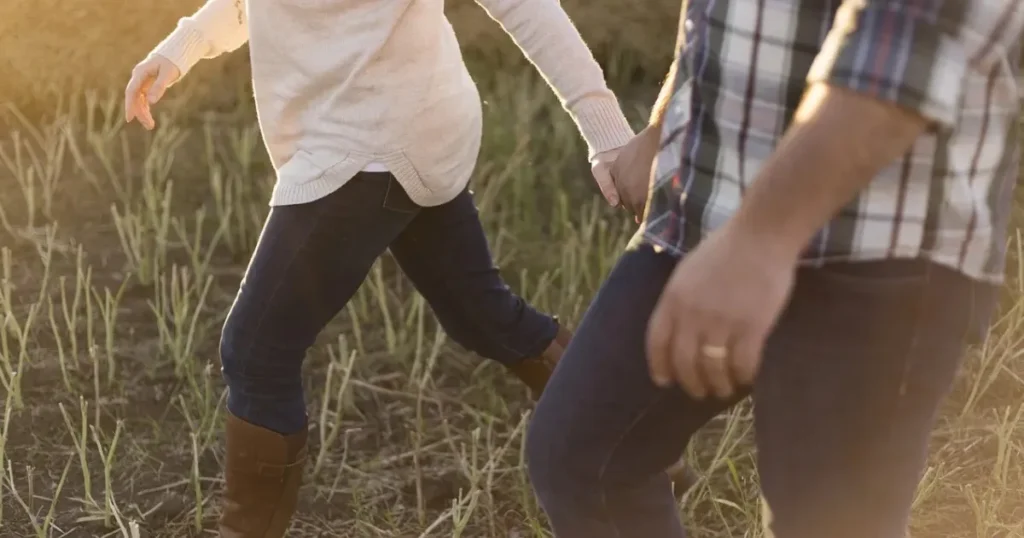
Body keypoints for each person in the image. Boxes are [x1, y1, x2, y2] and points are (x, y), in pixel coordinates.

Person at [123, 1, 697, 535]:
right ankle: (635, 446)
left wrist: (608, 137)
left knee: (254, 351)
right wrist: (182, 47)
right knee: (483, 316)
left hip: (369, 143)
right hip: (405, 127)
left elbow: (525, 6)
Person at [525, 0, 1023, 537]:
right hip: (709, 204)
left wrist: (760, 241)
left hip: (877, 243)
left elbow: (903, 58)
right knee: (585, 458)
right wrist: (667, 121)